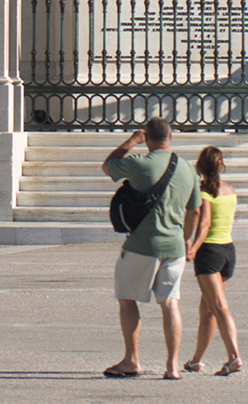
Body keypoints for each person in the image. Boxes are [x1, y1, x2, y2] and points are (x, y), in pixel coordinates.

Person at [102, 119, 203, 381]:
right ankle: (172, 366)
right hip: (175, 245)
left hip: (142, 245)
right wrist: (187, 238)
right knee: (170, 302)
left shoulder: (140, 163)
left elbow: (108, 166)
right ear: (171, 136)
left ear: (147, 138)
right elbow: (195, 210)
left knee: (127, 298)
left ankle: (132, 360)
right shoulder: (187, 168)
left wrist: (131, 141)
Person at [183, 146, 244, 376]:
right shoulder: (230, 190)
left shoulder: (204, 191)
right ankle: (196, 360)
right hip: (228, 251)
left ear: (200, 167)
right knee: (207, 308)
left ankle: (234, 356)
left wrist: (192, 247)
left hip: (210, 252)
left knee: (218, 307)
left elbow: (204, 222)